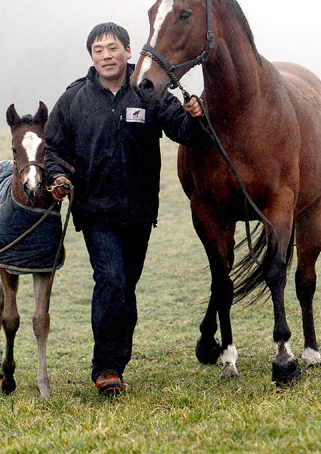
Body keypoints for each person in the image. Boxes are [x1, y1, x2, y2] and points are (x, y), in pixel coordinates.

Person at [45, 22, 203, 396]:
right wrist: (58, 179)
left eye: (113, 48)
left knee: (125, 289)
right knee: (111, 281)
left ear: (129, 52)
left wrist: (195, 115)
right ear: (91, 57)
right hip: (95, 211)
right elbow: (53, 149)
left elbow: (185, 132)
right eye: (98, 50)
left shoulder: (147, 92)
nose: (106, 55)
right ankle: (106, 369)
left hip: (138, 212)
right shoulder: (73, 99)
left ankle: (117, 361)